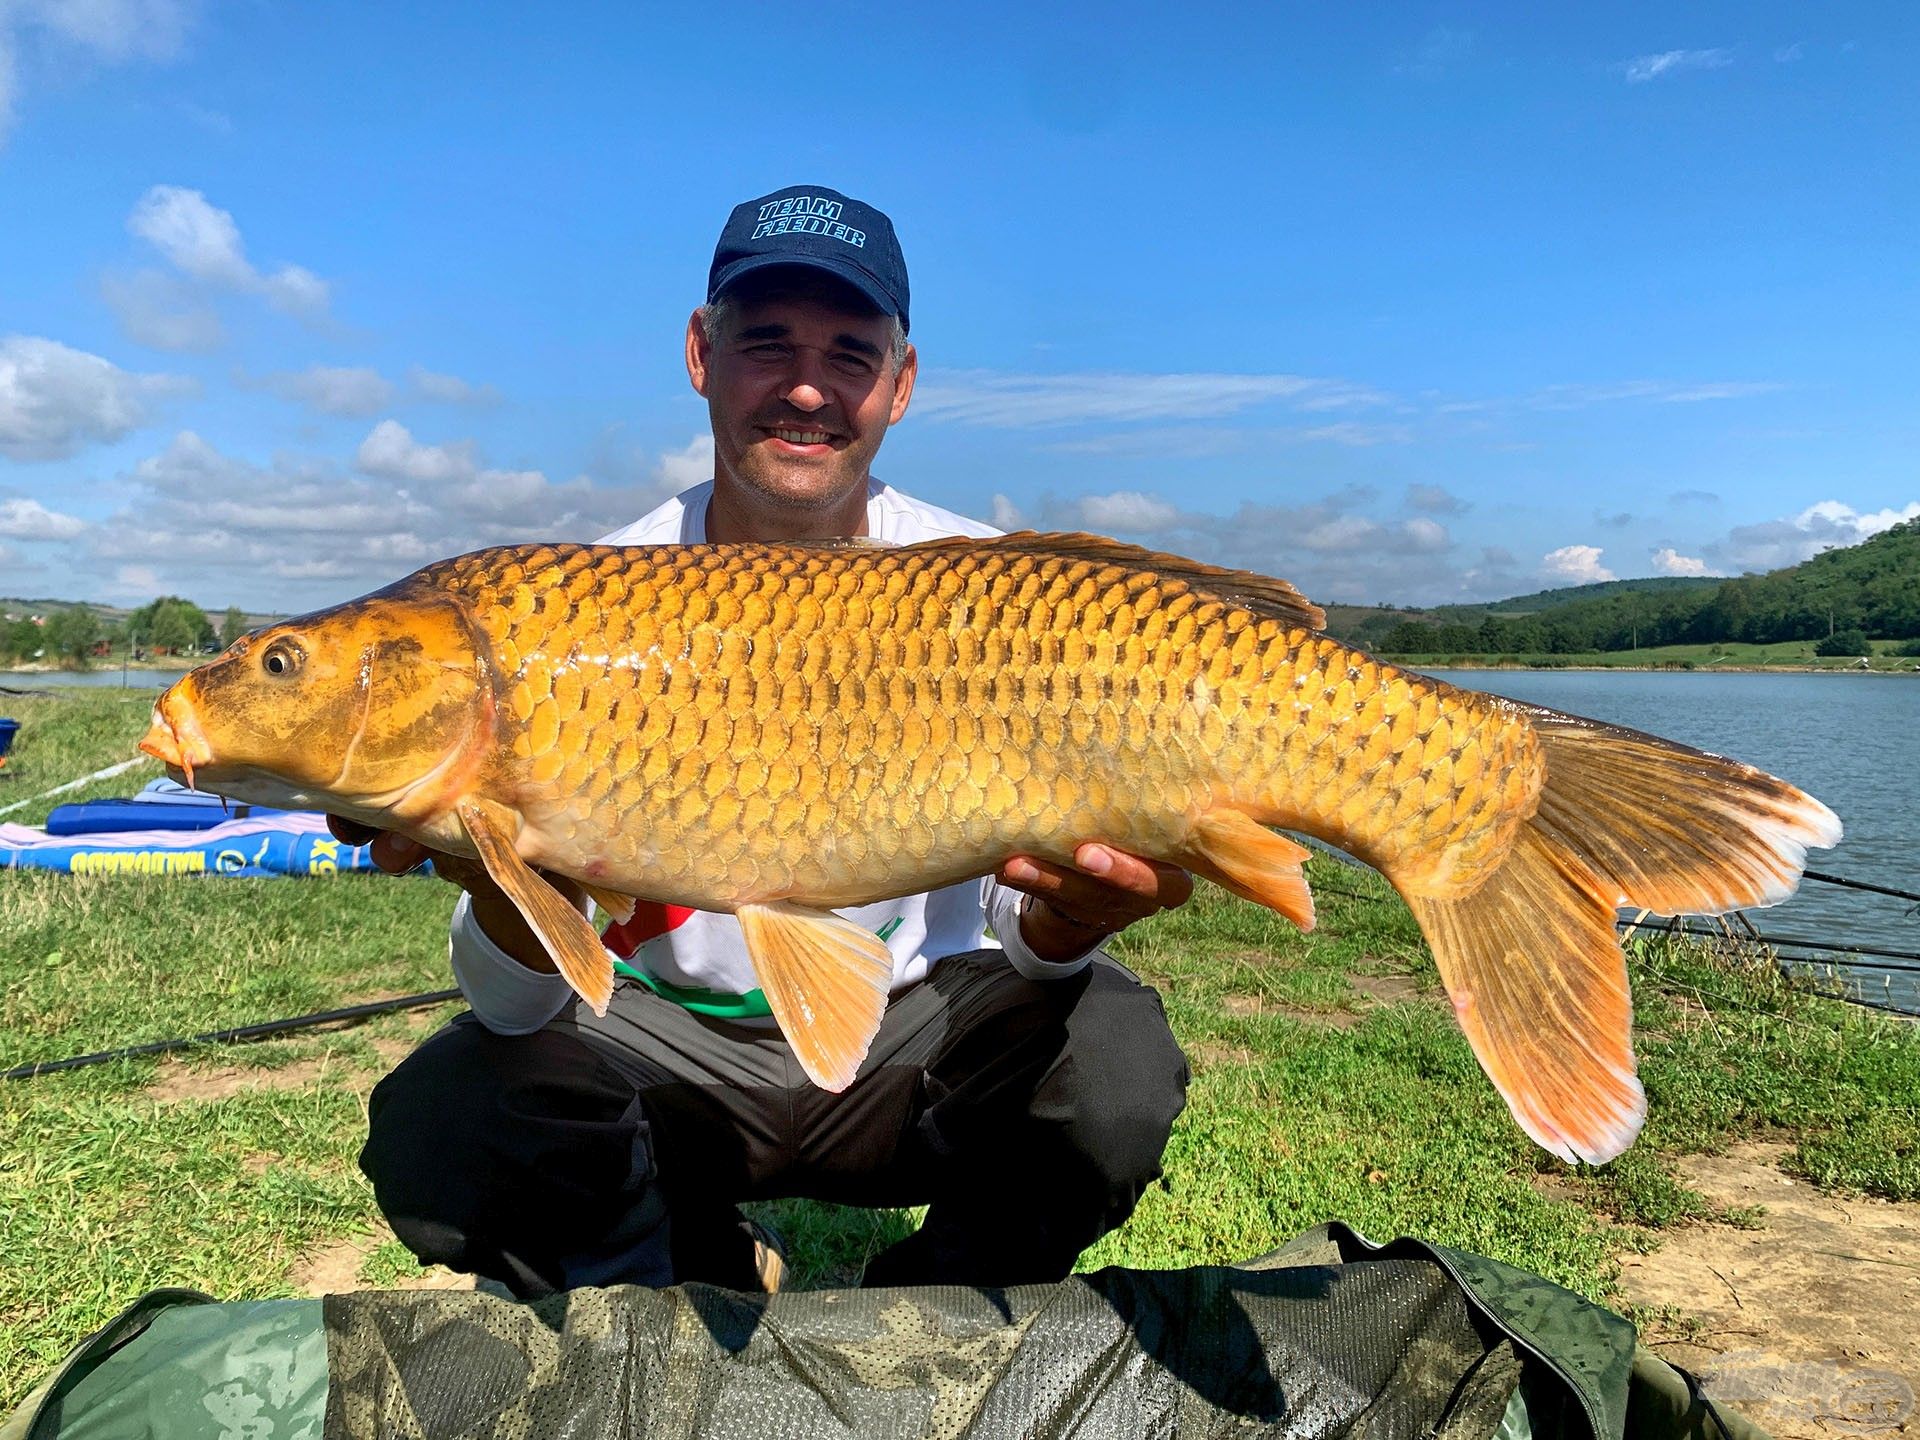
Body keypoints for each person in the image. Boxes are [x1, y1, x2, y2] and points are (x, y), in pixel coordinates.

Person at [342, 185, 1193, 1298]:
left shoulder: (990, 592)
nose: (806, 388)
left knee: (1116, 1059)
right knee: (449, 1116)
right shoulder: (576, 608)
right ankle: (685, 1281)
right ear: (701, 353)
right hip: (676, 1061)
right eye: (767, 344)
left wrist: (1068, 916)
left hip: (911, 1043)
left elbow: (1020, 931)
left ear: (901, 381)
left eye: (850, 353)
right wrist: (501, 874)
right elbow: (514, 1008)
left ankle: (918, 1318)